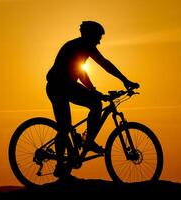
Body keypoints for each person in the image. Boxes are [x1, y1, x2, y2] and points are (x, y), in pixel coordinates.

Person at [46, 21, 139, 178]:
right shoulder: (76, 46)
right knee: (65, 126)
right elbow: (81, 70)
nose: (99, 41)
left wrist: (122, 80)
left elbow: (103, 64)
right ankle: (64, 161)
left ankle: (84, 142)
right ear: (90, 35)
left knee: (93, 104)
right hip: (58, 87)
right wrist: (95, 89)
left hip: (67, 86)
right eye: (98, 37)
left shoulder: (86, 48)